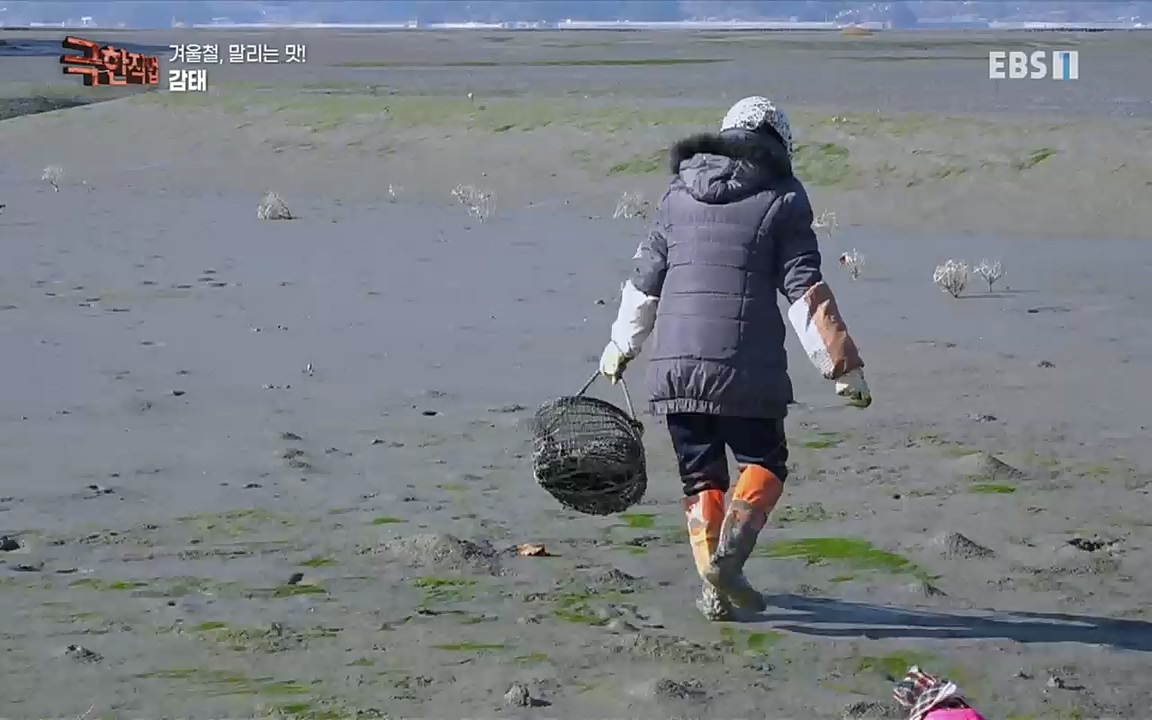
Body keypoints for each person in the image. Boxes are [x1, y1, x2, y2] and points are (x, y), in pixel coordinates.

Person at [598, 96, 872, 620]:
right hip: (744, 372)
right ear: (779, 142)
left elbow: (645, 281)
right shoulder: (784, 195)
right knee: (765, 463)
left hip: (674, 372)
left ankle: (713, 586)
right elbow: (804, 288)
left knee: (701, 479)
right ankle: (730, 561)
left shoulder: (678, 192)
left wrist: (619, 347)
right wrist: (842, 366)